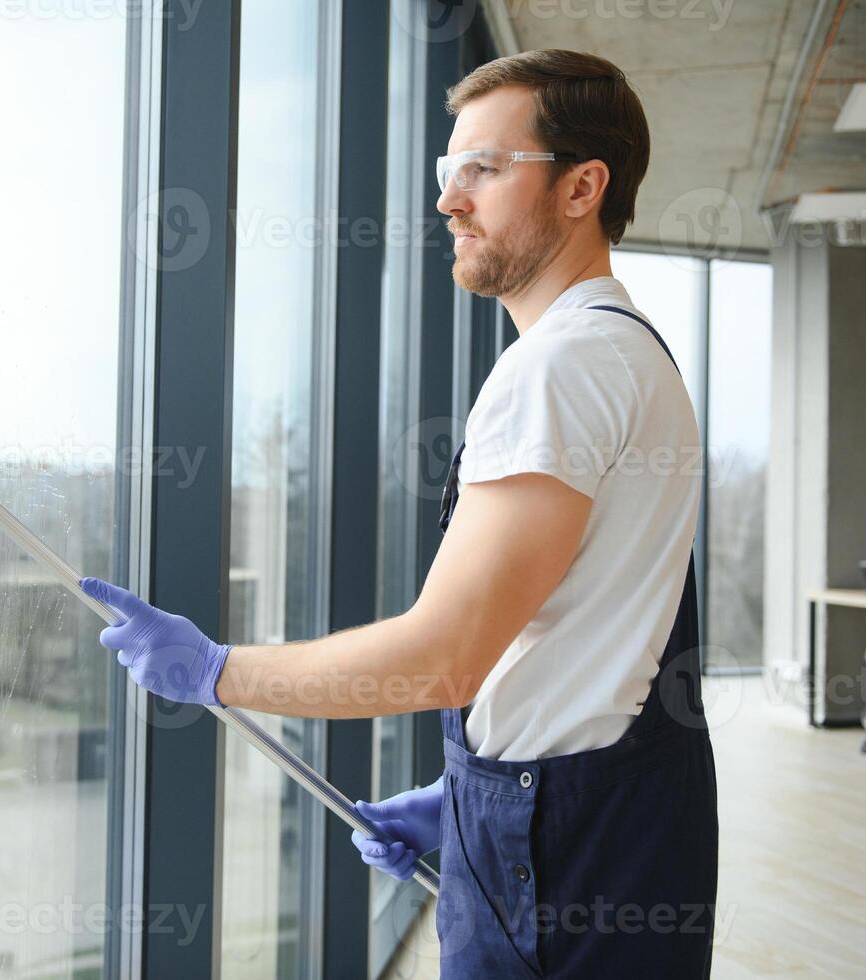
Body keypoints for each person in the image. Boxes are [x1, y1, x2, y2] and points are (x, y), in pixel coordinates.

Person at [79, 48, 716, 978]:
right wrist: (459, 804)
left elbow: (445, 654)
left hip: (564, 854)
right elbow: (580, 636)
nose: (448, 201)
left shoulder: (562, 368)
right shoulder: (623, 352)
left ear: (582, 188)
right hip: (588, 825)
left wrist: (218, 671)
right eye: (447, 171)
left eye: (484, 171)